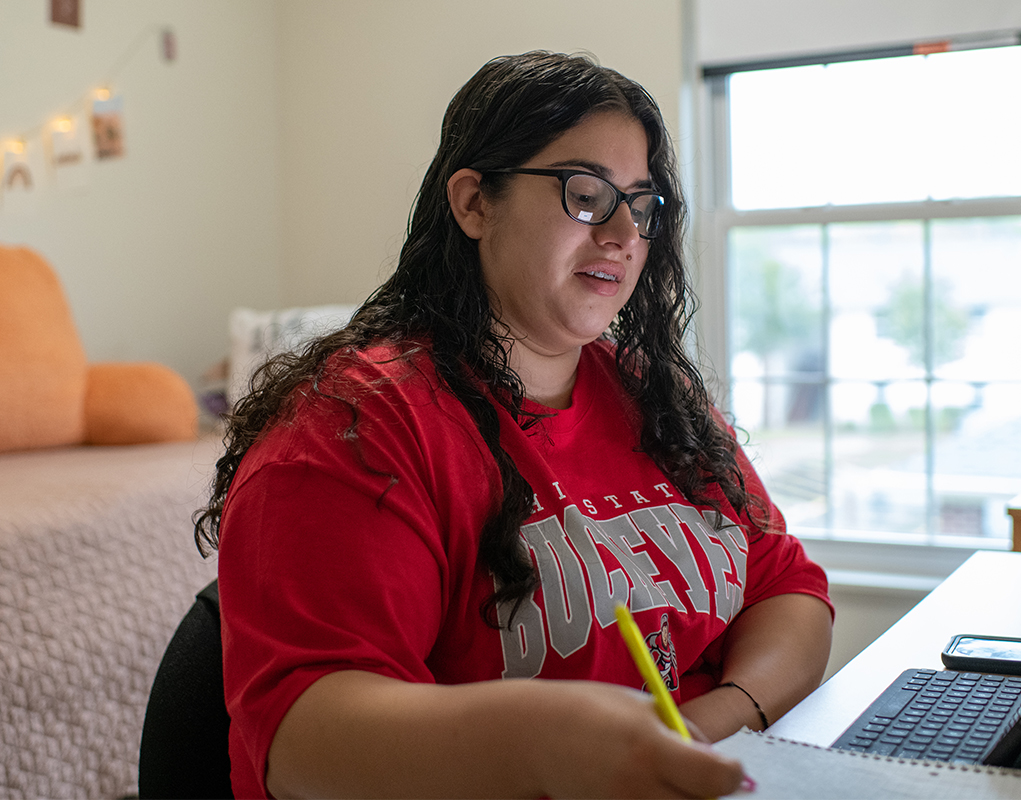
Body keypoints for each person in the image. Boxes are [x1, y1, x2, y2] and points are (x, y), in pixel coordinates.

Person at [196, 50, 834, 799]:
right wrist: (538, 745)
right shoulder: (353, 427)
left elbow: (788, 588)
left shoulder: (653, 393)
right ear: (474, 204)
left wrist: (710, 724)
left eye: (641, 203)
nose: (626, 231)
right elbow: (302, 741)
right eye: (586, 194)